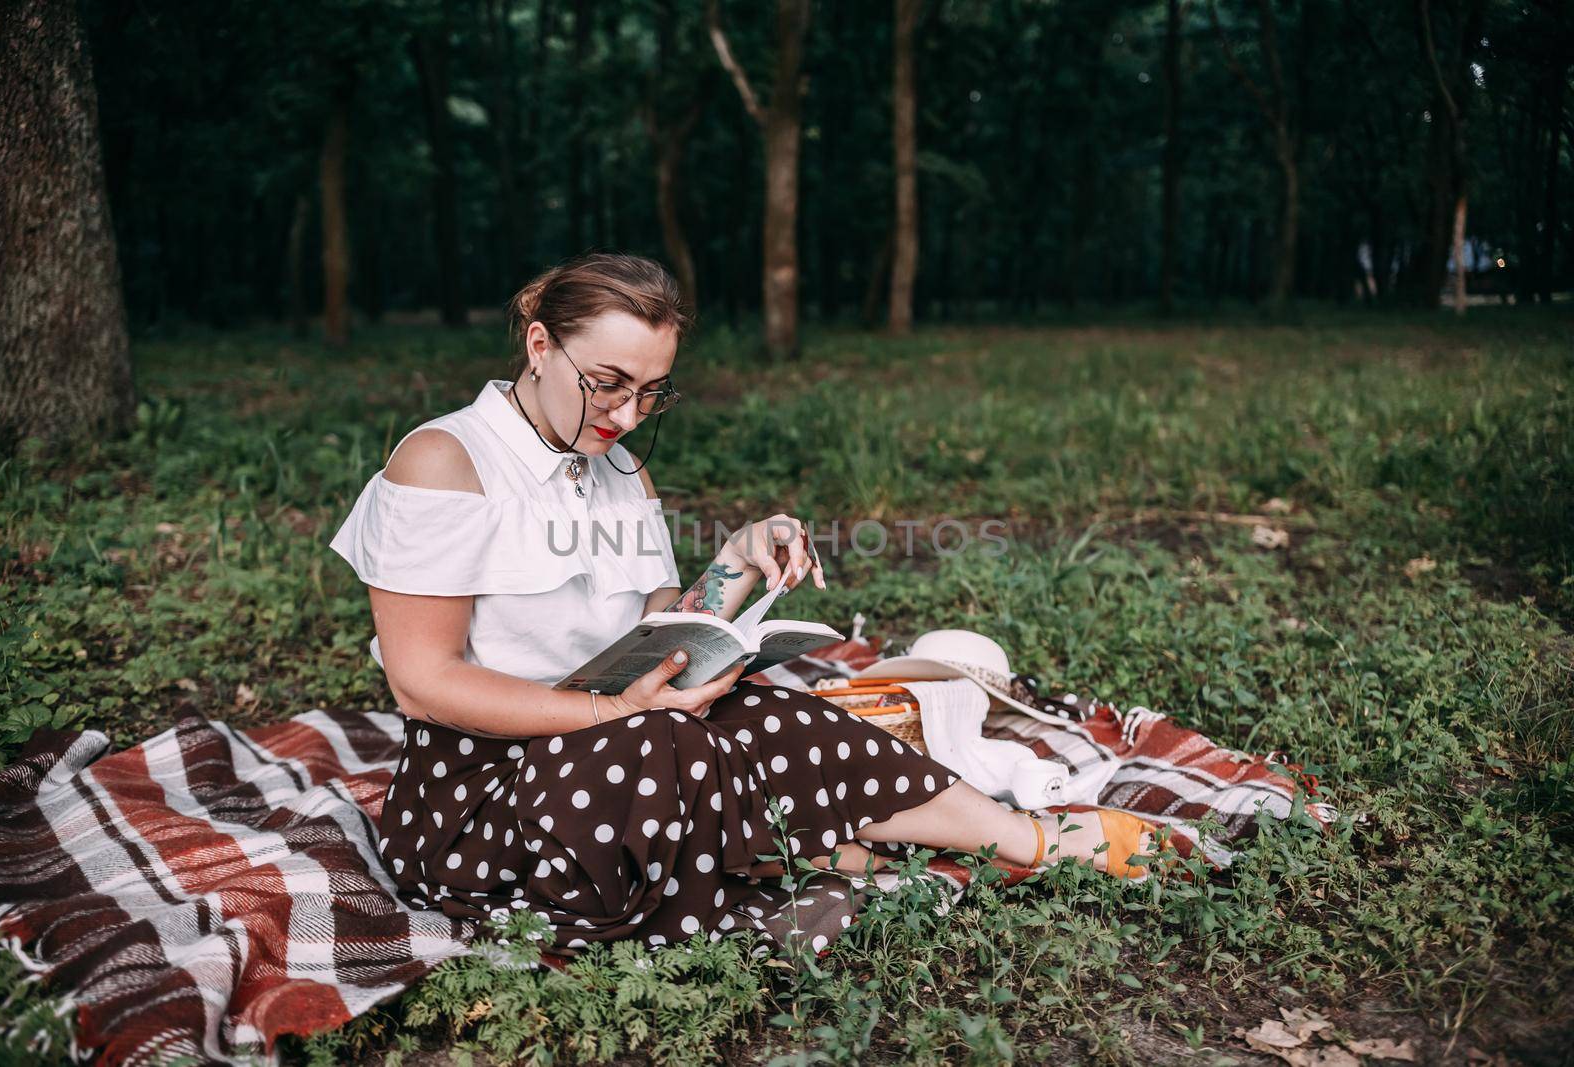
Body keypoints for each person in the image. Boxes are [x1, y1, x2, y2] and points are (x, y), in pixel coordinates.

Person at [329, 252, 1158, 955]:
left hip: (616, 736)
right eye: (607, 384)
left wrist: (736, 562)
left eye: (651, 391)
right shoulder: (444, 460)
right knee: (665, 742)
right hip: (480, 795)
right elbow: (421, 682)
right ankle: (861, 852)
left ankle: (1030, 841)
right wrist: (611, 707)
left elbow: (660, 629)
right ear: (539, 345)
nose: (625, 414)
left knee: (760, 708)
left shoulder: (618, 466)